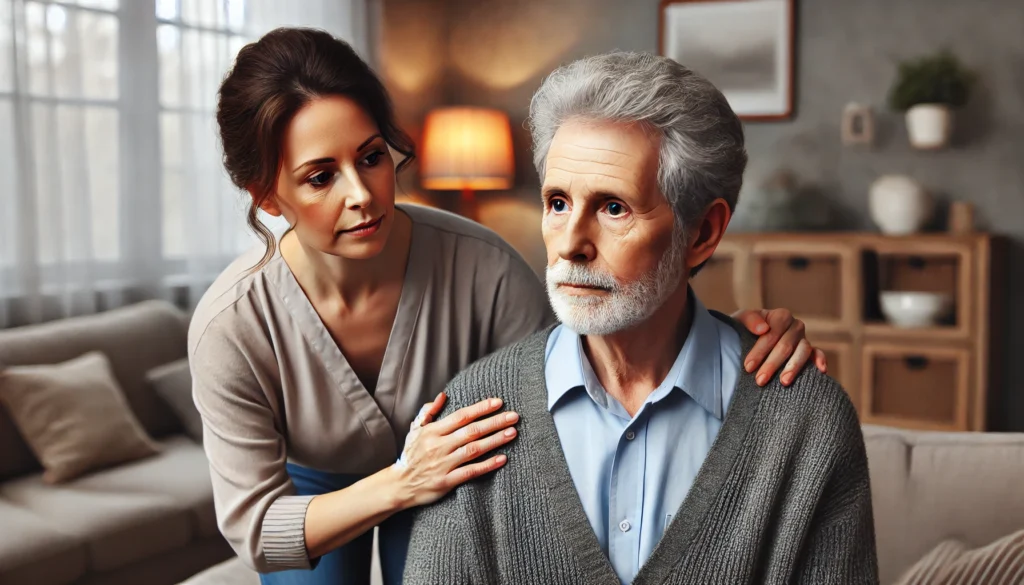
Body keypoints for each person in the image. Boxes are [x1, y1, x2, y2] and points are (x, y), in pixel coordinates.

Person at [189, 28, 832, 585]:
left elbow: (586, 358)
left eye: (372, 157)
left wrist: (729, 332)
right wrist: (401, 483)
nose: (362, 194)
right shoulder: (232, 326)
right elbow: (256, 528)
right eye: (321, 176)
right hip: (318, 489)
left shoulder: (484, 266)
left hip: (456, 471)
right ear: (268, 197)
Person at [404, 51, 878, 585]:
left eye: (613, 208)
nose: (571, 245)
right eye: (557, 203)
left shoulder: (807, 423)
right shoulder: (471, 415)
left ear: (702, 234)